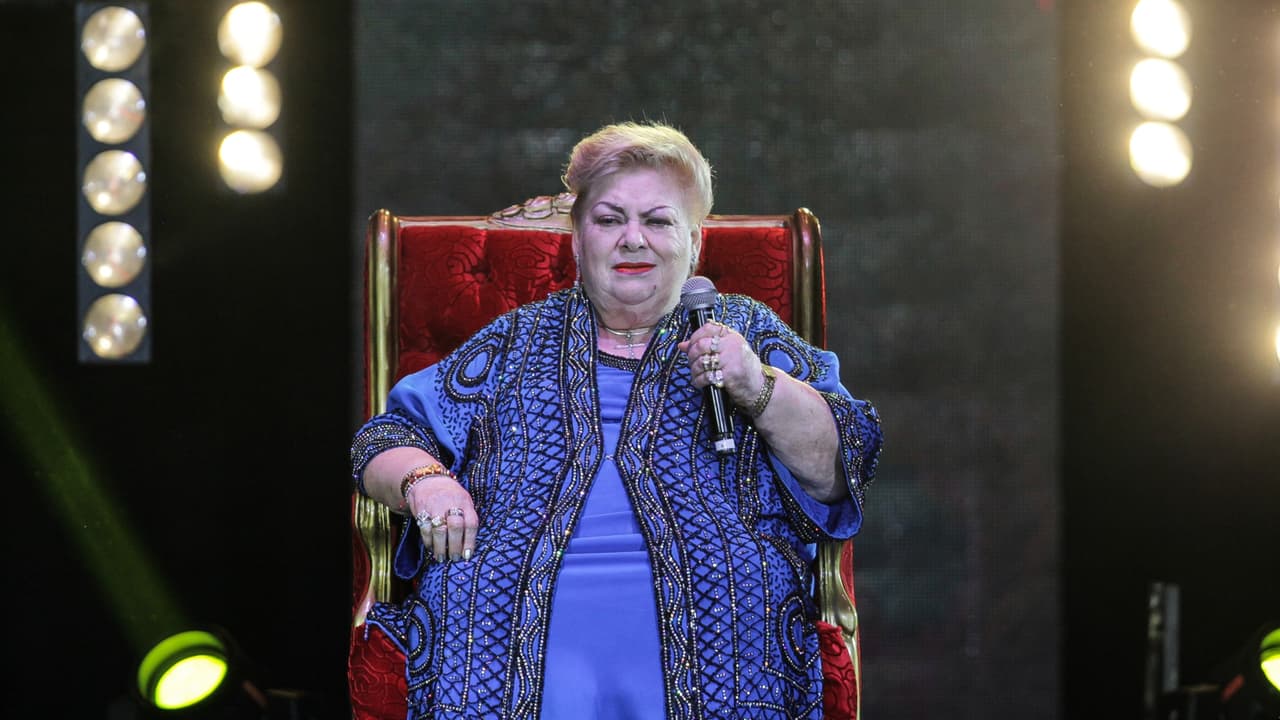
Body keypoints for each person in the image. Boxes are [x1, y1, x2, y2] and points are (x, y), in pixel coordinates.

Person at [349, 120, 883, 719]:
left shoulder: (746, 331)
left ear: (694, 243)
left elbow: (838, 469)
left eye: (658, 221)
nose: (633, 240)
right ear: (578, 242)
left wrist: (756, 385)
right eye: (609, 220)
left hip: (721, 609)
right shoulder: (515, 340)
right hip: (501, 603)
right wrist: (427, 481)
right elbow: (387, 437)